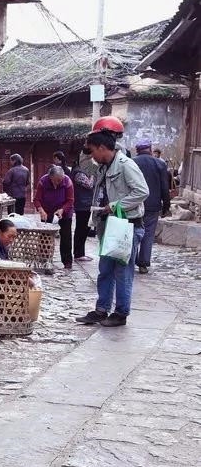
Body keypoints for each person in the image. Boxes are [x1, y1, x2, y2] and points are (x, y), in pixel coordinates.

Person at [76, 130, 148, 328]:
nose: (91, 156)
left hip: (127, 225)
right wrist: (86, 145)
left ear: (102, 148)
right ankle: (102, 309)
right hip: (109, 225)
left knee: (123, 272)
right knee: (105, 270)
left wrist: (117, 205)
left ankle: (121, 313)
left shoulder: (126, 165)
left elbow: (142, 192)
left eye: (92, 151)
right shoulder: (102, 167)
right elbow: (82, 167)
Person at [132, 139, 170, 274]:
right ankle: (143, 264)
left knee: (133, 232)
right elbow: (165, 187)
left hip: (135, 204)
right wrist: (166, 205)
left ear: (137, 150)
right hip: (153, 205)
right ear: (150, 149)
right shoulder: (160, 163)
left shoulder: (132, 162)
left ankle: (131, 260)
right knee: (148, 234)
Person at [33, 165, 75, 270]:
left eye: (60, 180)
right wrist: (41, 210)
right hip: (47, 212)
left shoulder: (67, 181)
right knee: (45, 236)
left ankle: (67, 262)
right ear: (50, 177)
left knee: (66, 236)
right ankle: (44, 259)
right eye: (56, 180)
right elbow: (36, 200)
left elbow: (70, 200)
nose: (58, 183)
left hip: (64, 212)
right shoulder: (43, 181)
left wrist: (62, 209)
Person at [72, 154, 95, 262]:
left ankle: (80, 253)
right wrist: (94, 175)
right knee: (82, 229)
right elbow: (89, 185)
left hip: (84, 204)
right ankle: (79, 253)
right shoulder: (79, 173)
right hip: (83, 204)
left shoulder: (81, 171)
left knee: (83, 229)